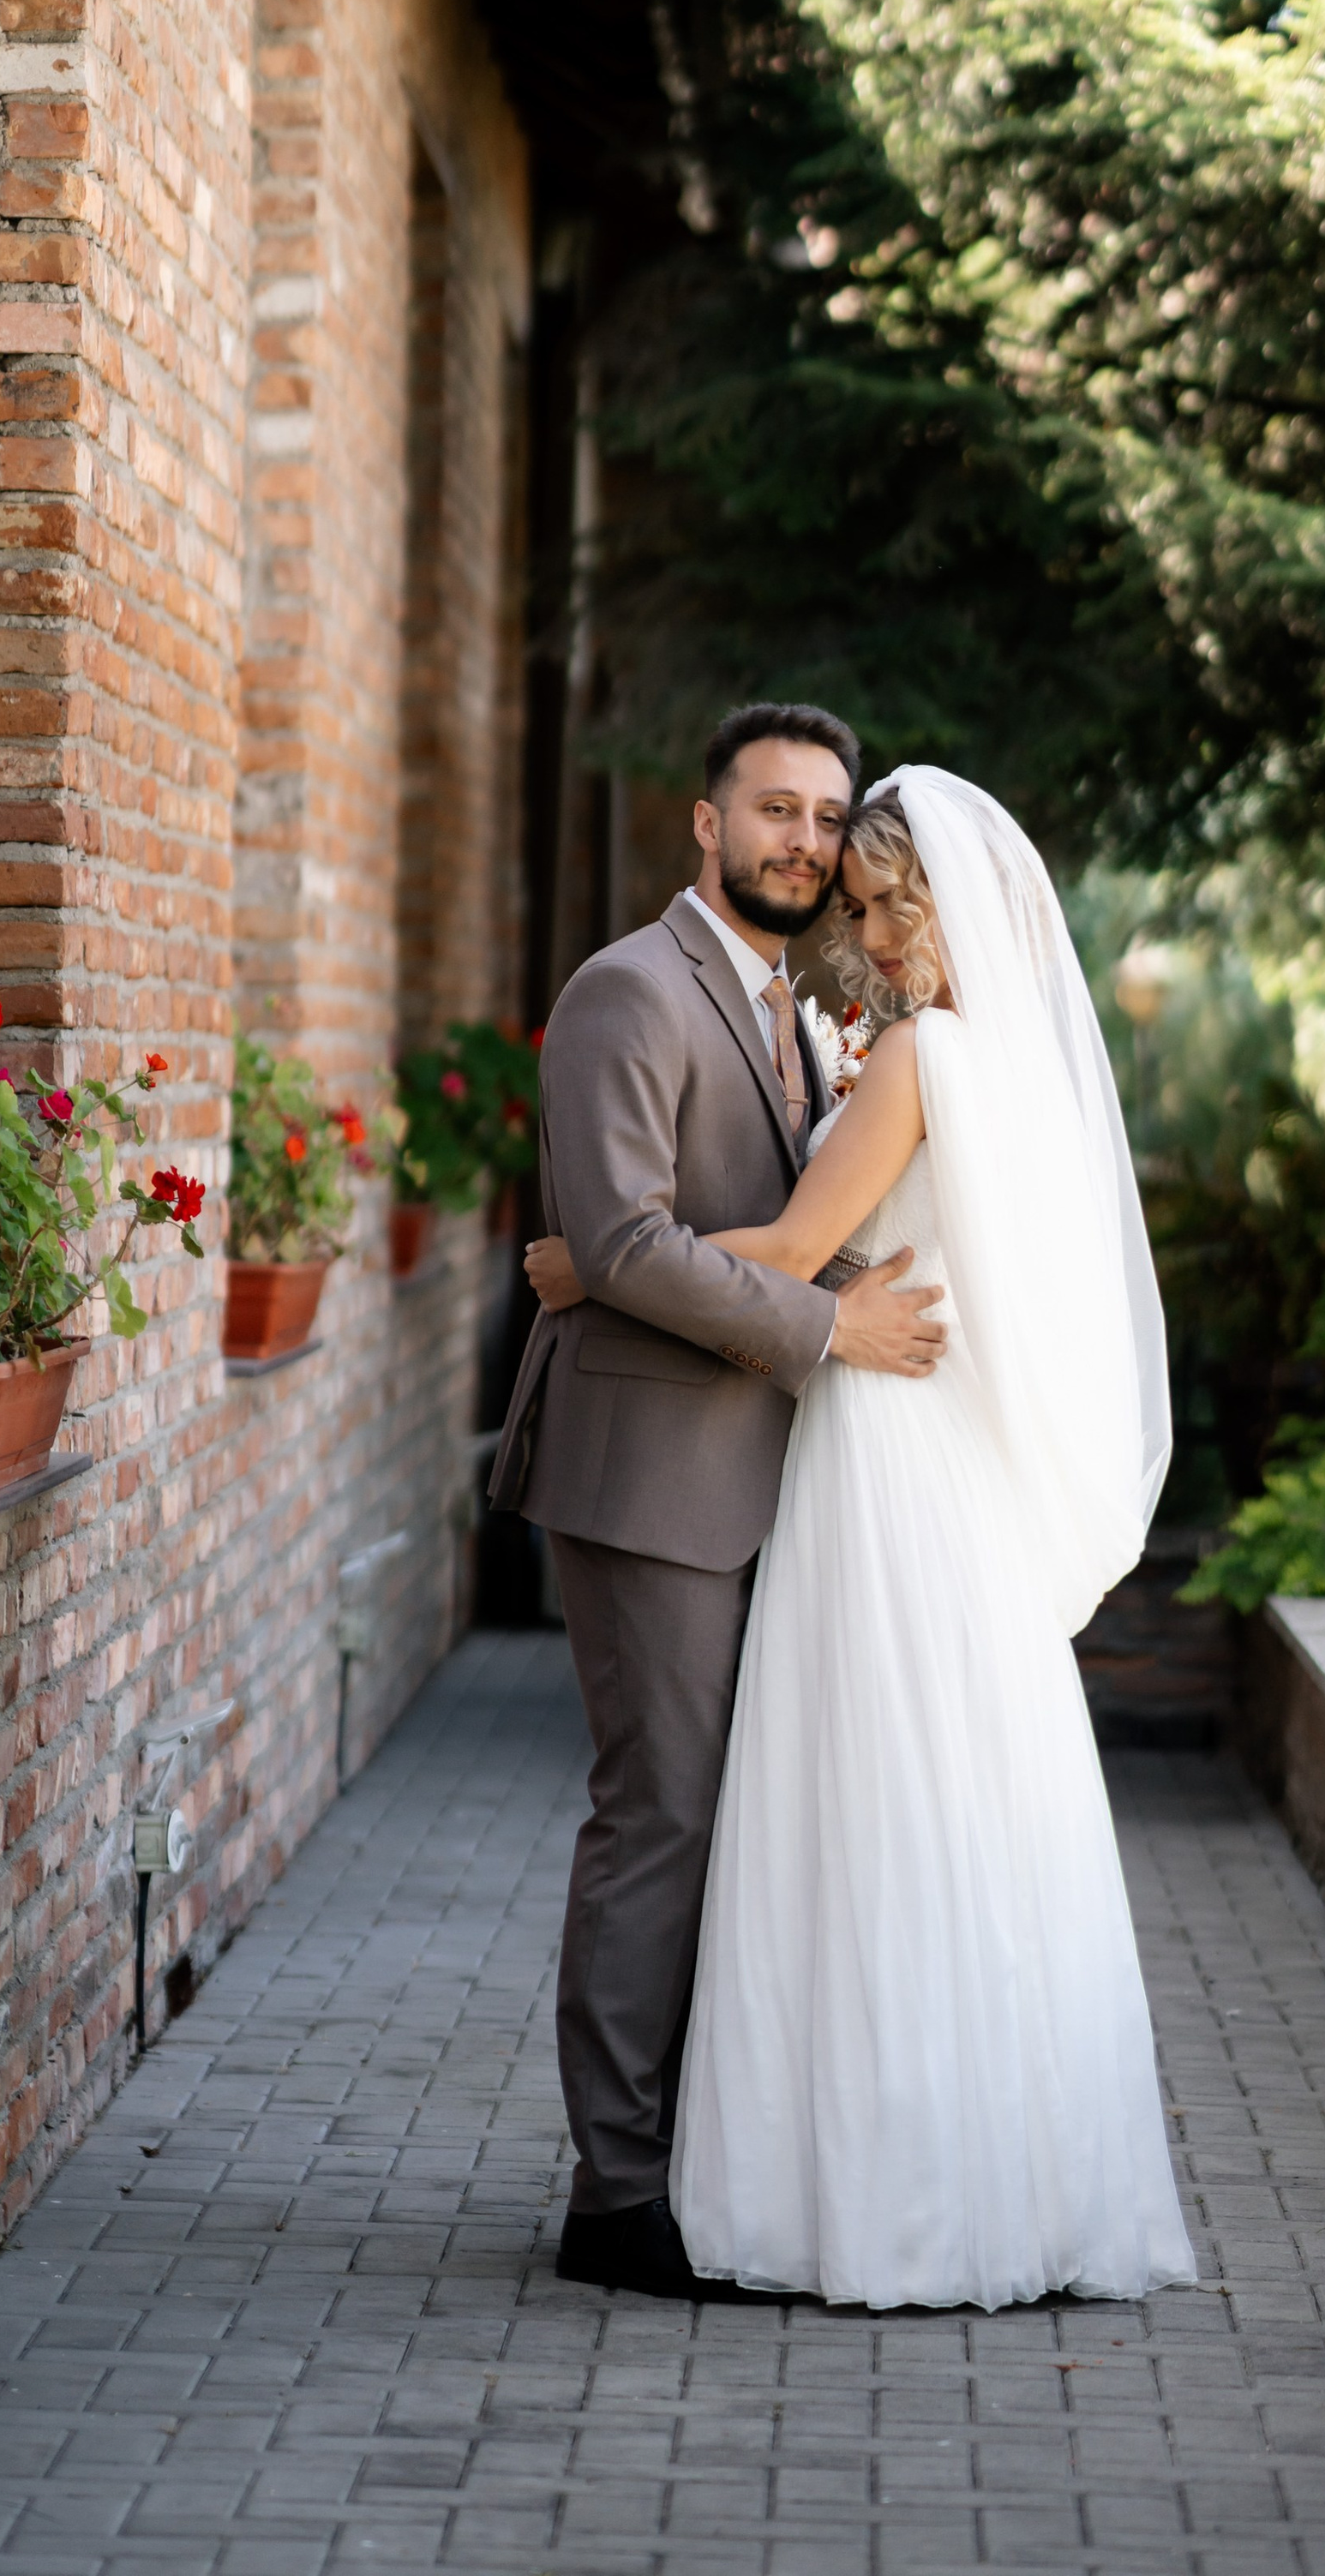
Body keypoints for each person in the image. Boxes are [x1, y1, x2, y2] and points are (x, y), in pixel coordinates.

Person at [525, 766, 1196, 2310]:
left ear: (966, 909)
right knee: (961, 1823)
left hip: (883, 1460)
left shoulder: (916, 1054)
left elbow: (790, 1248)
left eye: (902, 906)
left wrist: (596, 1266)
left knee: (850, 1816)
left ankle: (840, 2184)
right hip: (951, 1472)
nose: (881, 934)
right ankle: (981, 2179)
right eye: (869, 905)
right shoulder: (1018, 1071)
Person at [488, 704, 951, 2303]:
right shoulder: (627, 991)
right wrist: (834, 1326)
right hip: (649, 1479)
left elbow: (754, 1220)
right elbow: (619, 1246)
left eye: (827, 820)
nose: (804, 843)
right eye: (774, 810)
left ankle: (697, 2155)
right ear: (705, 822)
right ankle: (614, 2198)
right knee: (662, 1815)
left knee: (736, 1824)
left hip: (768, 1476)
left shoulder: (802, 1011)